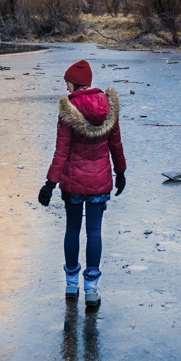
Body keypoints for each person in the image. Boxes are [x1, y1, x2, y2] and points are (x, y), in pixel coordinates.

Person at [38, 59, 126, 306]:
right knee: (95, 231)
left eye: (67, 81)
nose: (65, 86)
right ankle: (91, 289)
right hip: (99, 181)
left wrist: (50, 183)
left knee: (73, 230)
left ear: (75, 82)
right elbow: (115, 145)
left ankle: (70, 285)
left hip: (73, 183)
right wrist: (120, 172)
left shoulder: (69, 110)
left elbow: (61, 151)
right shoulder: (108, 107)